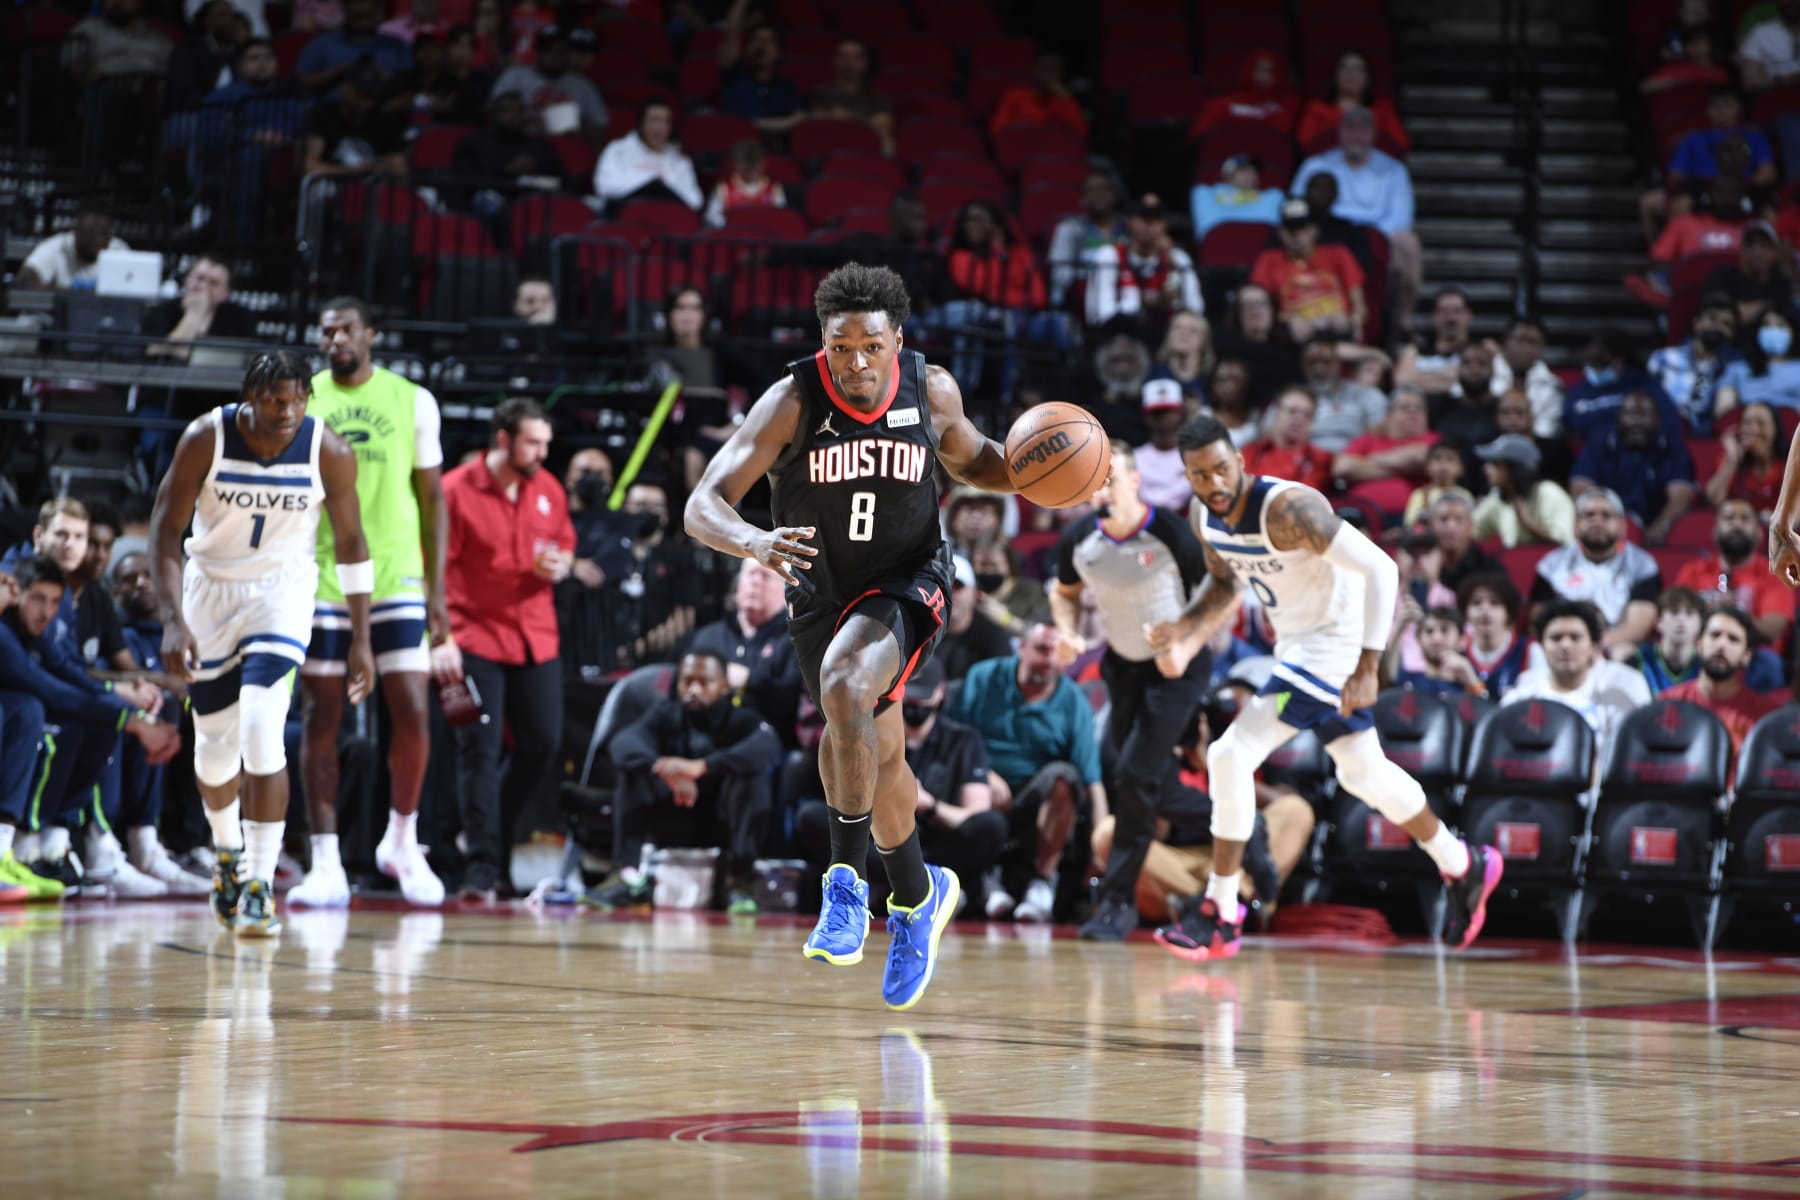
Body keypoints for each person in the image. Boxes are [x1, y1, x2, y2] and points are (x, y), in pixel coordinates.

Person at [684, 263, 1020, 1010]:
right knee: (880, 757)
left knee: (844, 685)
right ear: (824, 343)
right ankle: (918, 895)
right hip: (820, 591)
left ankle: (845, 886)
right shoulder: (792, 400)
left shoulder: (931, 390)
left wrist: (1038, 469)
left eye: (872, 345)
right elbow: (702, 505)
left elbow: (977, 461)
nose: (857, 362)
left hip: (909, 578)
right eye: (842, 347)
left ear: (897, 339)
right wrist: (753, 542)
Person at [1148, 415, 1502, 960]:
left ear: (1240, 462)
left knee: (1229, 754)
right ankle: (1462, 863)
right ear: (1187, 477)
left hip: (1334, 648)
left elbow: (1381, 569)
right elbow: (1224, 585)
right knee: (1363, 773)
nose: (1214, 483)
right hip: (1296, 648)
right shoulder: (1205, 517)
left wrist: (1367, 665)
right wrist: (1184, 630)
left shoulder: (1289, 510)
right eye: (1200, 475)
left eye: (1221, 469)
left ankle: (1220, 910)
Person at [149, 351, 374, 937]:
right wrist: (171, 620)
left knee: (261, 727)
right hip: (210, 593)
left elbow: (352, 543)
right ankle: (226, 852)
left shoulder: (328, 450)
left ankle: (259, 884)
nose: (288, 411)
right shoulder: (207, 437)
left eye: (298, 399)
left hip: (281, 593)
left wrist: (362, 637)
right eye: (276, 400)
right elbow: (165, 529)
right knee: (214, 748)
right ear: (250, 397)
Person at [292, 297, 449, 910]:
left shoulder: (413, 399)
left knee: (412, 706)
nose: (336, 339)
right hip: (323, 573)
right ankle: (325, 859)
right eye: (327, 331)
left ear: (371, 334)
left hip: (397, 572)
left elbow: (432, 499)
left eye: (346, 329)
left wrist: (438, 590)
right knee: (322, 713)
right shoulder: (304, 397)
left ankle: (402, 841)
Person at [1049, 443, 1214, 940]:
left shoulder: (1170, 532)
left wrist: (1183, 644)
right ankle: (1248, 830)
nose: (1102, 489)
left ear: (1136, 480)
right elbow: (1064, 592)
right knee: (1150, 783)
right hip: (1123, 666)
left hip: (1177, 668)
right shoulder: (1079, 538)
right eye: (1094, 481)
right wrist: (1069, 632)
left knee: (1134, 775)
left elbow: (1215, 598)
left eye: (1111, 478)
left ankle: (1117, 904)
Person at [434, 399, 574, 902]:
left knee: (543, 743)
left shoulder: (549, 488)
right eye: (532, 442)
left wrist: (563, 565)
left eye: (545, 443)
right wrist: (440, 638)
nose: (542, 452)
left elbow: (565, 542)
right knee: (479, 749)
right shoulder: (455, 489)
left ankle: (487, 832)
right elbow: (434, 570)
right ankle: (482, 867)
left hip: (535, 634)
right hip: (473, 636)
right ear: (502, 440)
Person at [946, 624, 1102, 923]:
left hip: (1035, 799)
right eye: (1042, 650)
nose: (1050, 660)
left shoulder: (1074, 701)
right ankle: (983, 879)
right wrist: (983, 773)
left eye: (1058, 652)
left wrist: (1100, 850)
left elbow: (1092, 783)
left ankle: (1042, 883)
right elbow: (951, 739)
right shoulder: (984, 677)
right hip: (979, 790)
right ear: (1021, 649)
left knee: (1065, 777)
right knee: (970, 774)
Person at [1291, 105, 1422, 335]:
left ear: (1373, 133)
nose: (1356, 134)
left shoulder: (1394, 169)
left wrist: (1369, 236)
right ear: (1340, 132)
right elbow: (1297, 205)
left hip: (1378, 235)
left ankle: (1402, 318)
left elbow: (1401, 216)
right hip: (1327, 233)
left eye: (1363, 128)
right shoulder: (1316, 165)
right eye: (1350, 127)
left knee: (1408, 243)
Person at [1504, 600, 1653, 765]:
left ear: (1593, 646)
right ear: (1541, 645)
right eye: (1555, 638)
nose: (1565, 645)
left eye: (1575, 637)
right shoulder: (1523, 691)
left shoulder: (1623, 686)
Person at [1532, 488, 1663, 659]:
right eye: (1589, 515)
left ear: (1622, 526)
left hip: (1614, 646)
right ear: (1576, 525)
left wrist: (1593, 647)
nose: (1597, 521)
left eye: (1606, 515)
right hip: (1565, 642)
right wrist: (1574, 645)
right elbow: (1539, 618)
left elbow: (1638, 625)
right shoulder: (1552, 564)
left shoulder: (1642, 565)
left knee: (1624, 653)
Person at [689, 557, 803, 747]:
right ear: (737, 585)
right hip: (705, 741)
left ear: (786, 592)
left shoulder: (795, 640)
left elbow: (791, 702)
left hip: (767, 745)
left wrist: (748, 680)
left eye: (766, 576)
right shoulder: (708, 636)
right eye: (751, 574)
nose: (756, 581)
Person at [1570, 391, 1699, 540]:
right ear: (1618, 418)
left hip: (1655, 526)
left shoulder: (1674, 449)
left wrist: (1662, 524)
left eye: (1644, 414)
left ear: (1658, 420)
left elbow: (1681, 496)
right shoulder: (1598, 445)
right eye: (1630, 413)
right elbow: (1581, 488)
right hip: (1609, 523)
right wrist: (1607, 522)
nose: (1637, 421)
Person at [1671, 498, 1796, 648]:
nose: (1736, 524)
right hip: (1699, 649)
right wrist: (1705, 608)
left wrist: (1733, 611)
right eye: (1729, 518)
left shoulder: (1774, 574)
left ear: (1759, 533)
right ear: (1715, 532)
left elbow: (1773, 630)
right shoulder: (1692, 571)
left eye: (1745, 518)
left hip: (1753, 652)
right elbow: (1675, 617)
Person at [1658, 607, 1786, 753]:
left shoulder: (1764, 717)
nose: (1721, 645)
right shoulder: (1667, 703)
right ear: (1698, 644)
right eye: (1715, 635)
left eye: (1733, 639)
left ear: (1747, 656)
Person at [1249, 199, 1366, 342]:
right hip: (1292, 338)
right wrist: (1288, 319)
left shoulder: (1339, 254)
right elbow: (1258, 306)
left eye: (1302, 228)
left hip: (1337, 334)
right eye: (1290, 229)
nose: (1296, 234)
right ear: (1280, 233)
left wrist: (1352, 321)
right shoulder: (1269, 260)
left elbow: (1360, 306)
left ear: (1315, 230)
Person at [1085, 195, 1203, 335]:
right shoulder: (1109, 256)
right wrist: (1145, 302)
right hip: (1119, 335)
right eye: (1143, 217)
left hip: (1166, 337)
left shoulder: (1178, 258)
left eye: (1156, 218)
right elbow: (1103, 314)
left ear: (1165, 224)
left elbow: (1196, 309)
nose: (1149, 224)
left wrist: (1171, 262)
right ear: (1130, 221)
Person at [1331, 386, 1437, 518]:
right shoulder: (1368, 440)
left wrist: (1368, 460)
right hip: (1360, 514)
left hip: (1412, 516)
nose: (1413, 412)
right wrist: (1406, 468)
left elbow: (1420, 456)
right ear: (1388, 416)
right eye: (1405, 407)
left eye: (1419, 408)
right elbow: (1343, 468)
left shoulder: (1433, 439)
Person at [488, 26, 609, 140]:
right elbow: (493, 113)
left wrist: (575, 130)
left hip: (564, 147)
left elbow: (601, 128)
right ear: (538, 52)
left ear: (569, 54)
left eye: (561, 51)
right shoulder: (515, 76)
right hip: (519, 142)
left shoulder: (583, 86)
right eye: (549, 50)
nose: (555, 56)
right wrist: (521, 119)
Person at [142, 256, 258, 363]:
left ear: (226, 293)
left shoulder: (241, 319)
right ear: (187, 279)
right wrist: (193, 314)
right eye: (199, 278)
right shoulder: (161, 311)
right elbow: (156, 354)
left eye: (214, 283)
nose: (203, 287)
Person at [593, 100, 704, 213]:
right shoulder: (618, 149)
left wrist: (663, 185)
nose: (659, 128)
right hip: (624, 216)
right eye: (653, 120)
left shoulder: (680, 159)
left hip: (667, 217)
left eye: (665, 121)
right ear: (641, 123)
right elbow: (604, 187)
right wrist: (650, 179)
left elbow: (695, 201)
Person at [1650, 298, 1740, 433]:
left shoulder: (1730, 370)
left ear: (1732, 334)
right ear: (1697, 322)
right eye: (1713, 319)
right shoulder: (1663, 358)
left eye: (1727, 324)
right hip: (1661, 428)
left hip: (1702, 435)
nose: (1718, 327)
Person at [1295, 49, 1410, 156]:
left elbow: (1400, 144)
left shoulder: (1382, 110)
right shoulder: (1317, 109)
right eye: (1345, 68)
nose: (1351, 74)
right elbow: (1305, 143)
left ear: (1368, 78)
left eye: (1357, 69)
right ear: (1335, 75)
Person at [1471, 434, 1575, 547]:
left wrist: (1528, 523)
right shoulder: (1497, 497)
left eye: (1495, 463)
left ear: (1514, 468)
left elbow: (1565, 544)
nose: (1486, 468)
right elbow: (1470, 530)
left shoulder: (1548, 493)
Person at [1294, 334, 1387, 454]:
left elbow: (1377, 441)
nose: (1320, 369)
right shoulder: (1294, 398)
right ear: (1303, 366)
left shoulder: (1367, 395)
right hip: (1308, 457)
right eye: (1312, 363)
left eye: (1327, 362)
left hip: (1354, 457)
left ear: (1338, 363)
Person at [294, 0, 410, 96]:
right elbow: (301, 81)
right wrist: (338, 72)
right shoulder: (322, 44)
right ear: (345, 11)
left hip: (385, 111)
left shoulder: (396, 46)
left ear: (379, 13)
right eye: (357, 16)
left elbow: (411, 84)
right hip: (333, 110)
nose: (363, 23)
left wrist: (383, 75)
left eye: (368, 16)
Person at [1047, 169, 1125, 309]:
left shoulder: (1128, 229)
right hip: (1080, 299)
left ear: (1115, 195)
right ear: (1083, 198)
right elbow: (1058, 273)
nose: (1099, 195)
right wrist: (1092, 278)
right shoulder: (1069, 229)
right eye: (1092, 190)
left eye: (1104, 189)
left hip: (1123, 295)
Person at [717, 12, 805, 137]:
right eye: (756, 39)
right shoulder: (734, 76)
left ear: (778, 53)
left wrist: (754, 124)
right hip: (735, 141)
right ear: (747, 48)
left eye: (769, 41)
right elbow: (731, 32)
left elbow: (797, 119)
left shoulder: (787, 87)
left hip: (773, 145)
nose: (761, 45)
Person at [809, 36, 894, 155]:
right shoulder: (819, 93)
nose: (848, 62)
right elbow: (816, 120)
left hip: (864, 152)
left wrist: (844, 117)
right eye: (843, 56)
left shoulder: (877, 97)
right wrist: (864, 121)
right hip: (826, 151)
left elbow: (883, 125)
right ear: (834, 61)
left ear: (866, 63)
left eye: (856, 57)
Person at [1241, 387, 1333, 493]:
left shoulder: (1321, 460)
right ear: (1276, 413)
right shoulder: (1250, 452)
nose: (1299, 419)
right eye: (1292, 411)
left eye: (1307, 415)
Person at [1189, 50, 1297, 139]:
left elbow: (1282, 135)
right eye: (1257, 68)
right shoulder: (1220, 104)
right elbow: (1199, 136)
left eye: (1270, 70)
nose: (1262, 74)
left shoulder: (1288, 104)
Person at [16, 206, 128, 291]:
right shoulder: (58, 246)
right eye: (92, 233)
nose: (98, 239)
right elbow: (26, 279)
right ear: (76, 231)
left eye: (104, 234)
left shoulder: (118, 250)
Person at [1705, 221, 1793, 329]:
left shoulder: (1781, 284)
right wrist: (1766, 305)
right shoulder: (1723, 276)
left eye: (1764, 245)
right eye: (1750, 244)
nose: (1757, 251)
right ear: (1741, 250)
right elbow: (1719, 316)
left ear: (1774, 252)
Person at [1489, 315, 1564, 440]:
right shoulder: (1486, 373)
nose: (1525, 348)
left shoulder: (1553, 386)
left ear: (1542, 347)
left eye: (1532, 342)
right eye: (1519, 340)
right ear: (1505, 341)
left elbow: (1546, 430)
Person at [1458, 571, 1531, 699]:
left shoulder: (1528, 650)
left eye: (1495, 603)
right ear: (1466, 612)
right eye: (1476, 602)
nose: (1485, 609)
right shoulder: (1457, 651)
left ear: (1509, 612)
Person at [1383, 604, 1484, 695]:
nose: (1436, 638)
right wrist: (1399, 626)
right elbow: (1388, 677)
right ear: (1418, 640)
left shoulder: (1471, 679)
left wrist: (1470, 678)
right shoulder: (1409, 680)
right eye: (1429, 631)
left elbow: (1485, 706)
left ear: (1462, 640)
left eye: (1444, 630)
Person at [989, 47, 1086, 141]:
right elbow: (997, 131)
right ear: (1035, 70)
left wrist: (1066, 100)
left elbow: (1081, 133)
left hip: (1054, 147)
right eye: (1046, 68)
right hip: (1022, 145)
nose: (1050, 74)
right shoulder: (1015, 95)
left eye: (1055, 69)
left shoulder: (1064, 98)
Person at [1716, 307, 1800, 416]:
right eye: (1766, 325)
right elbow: (1723, 414)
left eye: (1780, 325)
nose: (1773, 330)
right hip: (1748, 423)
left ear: (1793, 332)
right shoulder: (1737, 369)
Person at [1705, 400, 1786, 514]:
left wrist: (1764, 457)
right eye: (1747, 423)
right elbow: (1712, 502)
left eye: (1761, 423)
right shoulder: (1730, 458)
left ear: (1775, 429)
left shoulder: (1790, 462)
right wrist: (1732, 460)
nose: (1753, 429)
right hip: (1740, 523)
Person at [968, 533, 1049, 637]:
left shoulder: (1031, 591)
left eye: (993, 565)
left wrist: (1004, 618)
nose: (988, 571)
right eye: (982, 565)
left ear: (1009, 563)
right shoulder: (966, 591)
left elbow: (1040, 634)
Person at [1394, 287, 1474, 395]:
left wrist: (1418, 378)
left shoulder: (1482, 350)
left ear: (1469, 315)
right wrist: (1452, 378)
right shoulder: (1414, 351)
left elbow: (1478, 382)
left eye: (1457, 311)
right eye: (1444, 311)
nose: (1451, 318)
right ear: (1434, 316)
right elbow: (1401, 381)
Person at [1191, 153, 1286, 241]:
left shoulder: (1273, 196)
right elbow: (1208, 228)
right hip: (1220, 245)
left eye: (1253, 171)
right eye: (1243, 170)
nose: (1249, 174)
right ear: (1228, 176)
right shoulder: (1206, 194)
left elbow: (1269, 232)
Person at [1631, 586, 1707, 694]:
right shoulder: (1640, 660)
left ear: (1700, 624)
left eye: (1689, 614)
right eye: (1674, 613)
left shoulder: (1706, 664)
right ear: (1659, 622)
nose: (1681, 620)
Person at [1135, 379, 1193, 509]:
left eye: (1169, 411)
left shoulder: (1194, 456)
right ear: (1146, 416)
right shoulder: (1136, 458)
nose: (1164, 418)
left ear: (1181, 413)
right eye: (1156, 413)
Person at [704, 138, 786, 228]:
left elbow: (781, 219)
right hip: (733, 233)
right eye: (746, 167)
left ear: (763, 164)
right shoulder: (724, 188)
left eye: (754, 167)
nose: (750, 172)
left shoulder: (774, 189)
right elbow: (711, 217)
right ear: (736, 165)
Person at [1148, 310, 1214, 407]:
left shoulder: (1212, 382)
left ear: (1204, 341)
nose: (1184, 334)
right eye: (1178, 328)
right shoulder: (1153, 376)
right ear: (1168, 335)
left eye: (1193, 330)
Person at [1403, 442, 1468, 527]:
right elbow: (1410, 525)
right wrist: (1425, 505)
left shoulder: (1464, 495)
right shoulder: (1421, 494)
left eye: (1450, 459)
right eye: (1437, 459)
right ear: (1427, 467)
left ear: (1460, 468)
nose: (1443, 465)